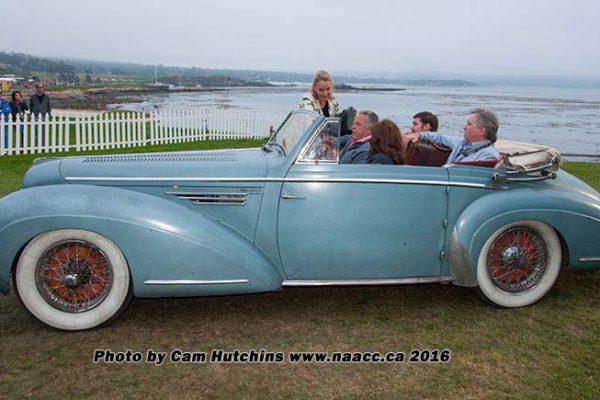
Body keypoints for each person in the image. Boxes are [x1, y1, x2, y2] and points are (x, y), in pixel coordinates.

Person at [404, 108, 501, 165]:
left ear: (481, 131)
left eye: (469, 124)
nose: (464, 127)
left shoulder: (489, 156)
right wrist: (420, 135)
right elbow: (440, 137)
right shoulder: (461, 143)